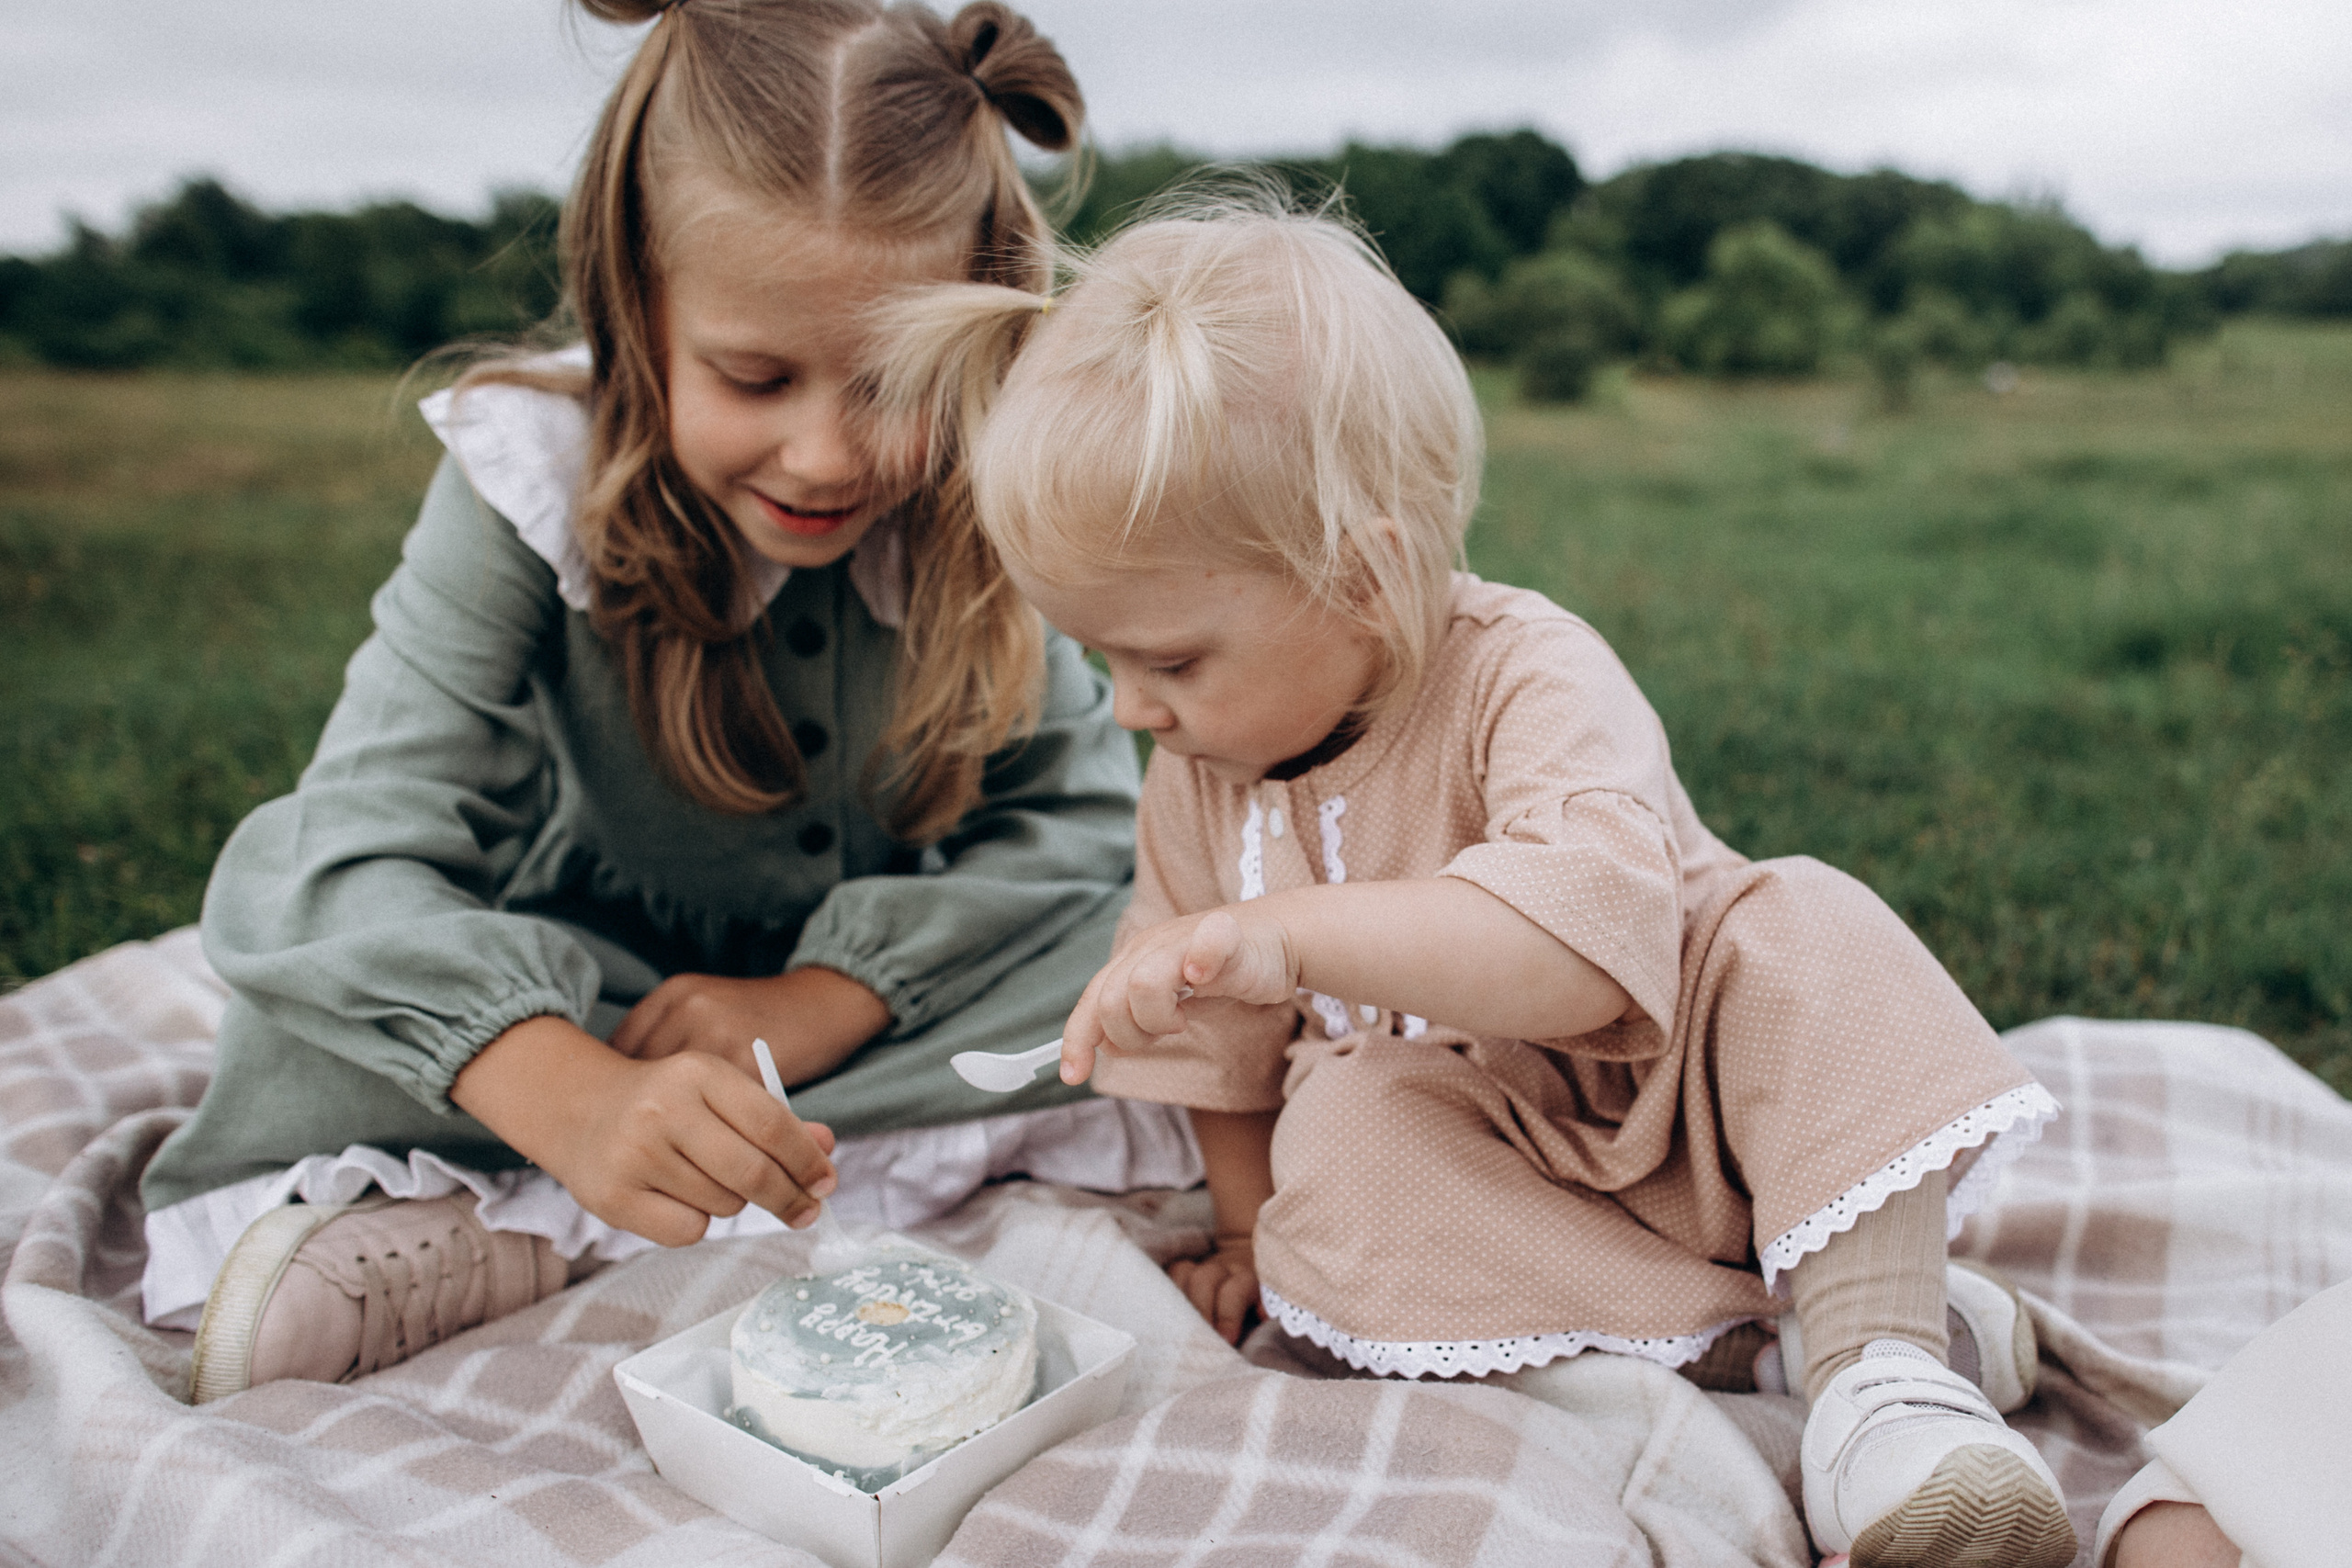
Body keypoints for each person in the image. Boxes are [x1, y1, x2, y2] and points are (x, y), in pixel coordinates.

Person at [865, 190, 2078, 1566]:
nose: (1134, 706)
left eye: (1172, 660)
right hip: (1492, 1179)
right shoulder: (1198, 782)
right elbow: (1225, 1069)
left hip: (1703, 1114)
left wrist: (1288, 935)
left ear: (1363, 576)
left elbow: (1573, 954)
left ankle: (1884, 1386)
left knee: (1804, 926)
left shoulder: (1526, 675)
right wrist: (1255, 1238)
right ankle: (1788, 1329)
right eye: (1103, 662)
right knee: (1343, 1149)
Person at [137, 0, 1200, 1403]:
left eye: (893, 383)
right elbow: (343, 855)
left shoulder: (981, 499)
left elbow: (1074, 835)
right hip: (591, 1011)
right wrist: (568, 1092)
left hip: (875, 1029)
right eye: (753, 376)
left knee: (1164, 952)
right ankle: (521, 1196)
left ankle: (588, 1214)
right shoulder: (529, 476)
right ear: (638, 305)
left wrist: (829, 996)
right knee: (306, 982)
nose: (828, 456)